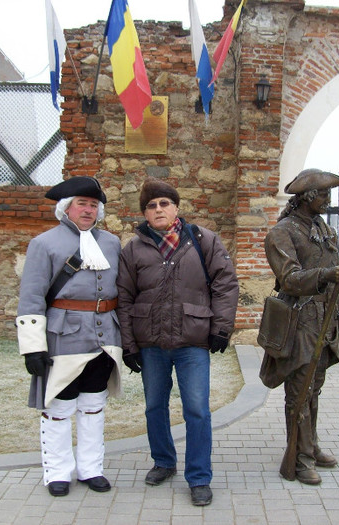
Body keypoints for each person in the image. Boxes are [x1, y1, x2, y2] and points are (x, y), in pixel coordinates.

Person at [116, 177, 239, 507]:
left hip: (192, 341)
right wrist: (129, 345)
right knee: (155, 406)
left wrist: (221, 329)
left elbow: (225, 285)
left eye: (164, 203)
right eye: (151, 206)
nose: (158, 209)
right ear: (145, 213)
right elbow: (124, 298)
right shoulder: (133, 249)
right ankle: (164, 461)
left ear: (176, 208)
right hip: (151, 343)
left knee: (197, 409)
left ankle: (199, 477)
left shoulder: (203, 240)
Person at [16, 176, 123, 497]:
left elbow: (124, 293)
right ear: (66, 208)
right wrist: (32, 347)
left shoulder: (112, 243)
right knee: (60, 408)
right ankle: (58, 472)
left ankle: (91, 468)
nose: (88, 210)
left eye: (93, 205)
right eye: (82, 204)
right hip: (63, 336)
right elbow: (31, 297)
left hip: (106, 336)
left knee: (93, 405)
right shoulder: (44, 244)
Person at [260, 168, 339, 485]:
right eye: (325, 195)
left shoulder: (324, 229)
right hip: (298, 323)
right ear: (308, 198)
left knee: (314, 390)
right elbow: (288, 279)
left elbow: (333, 284)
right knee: (299, 393)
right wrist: (327, 275)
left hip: (323, 323)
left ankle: (310, 447)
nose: (328, 200)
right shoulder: (281, 233)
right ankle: (298, 460)